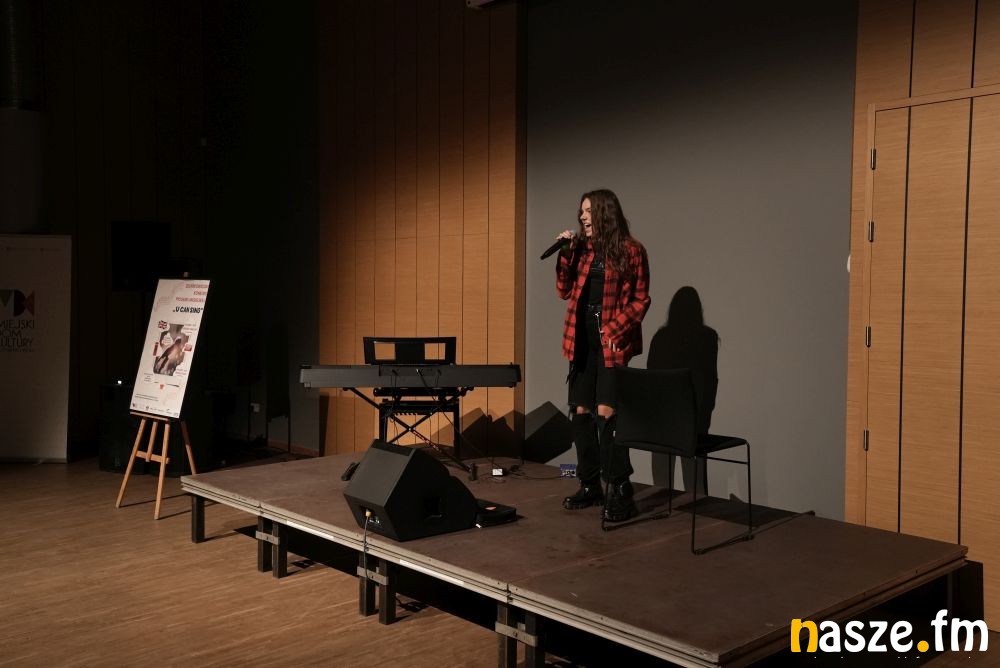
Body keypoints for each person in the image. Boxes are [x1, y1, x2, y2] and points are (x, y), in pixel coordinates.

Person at [555, 189, 651, 522]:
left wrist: (614, 330)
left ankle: (620, 490)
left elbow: (641, 299)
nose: (582, 217)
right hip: (581, 338)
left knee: (606, 414)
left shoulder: (632, 250)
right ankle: (589, 484)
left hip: (611, 339)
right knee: (580, 412)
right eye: (581, 211)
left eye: (588, 211)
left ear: (604, 213)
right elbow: (563, 290)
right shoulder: (582, 249)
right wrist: (565, 253)